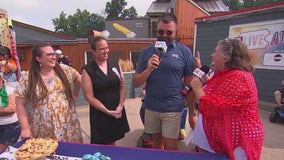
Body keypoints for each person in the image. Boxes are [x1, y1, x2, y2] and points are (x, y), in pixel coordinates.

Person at [190, 38, 264, 160]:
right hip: (213, 143)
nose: (212, 55)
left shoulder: (239, 78)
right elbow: (220, 94)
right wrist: (206, 83)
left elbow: (210, 107)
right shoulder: (225, 74)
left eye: (215, 52)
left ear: (226, 57)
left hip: (238, 141)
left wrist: (198, 89)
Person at [133, 13, 195, 150]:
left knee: (170, 145)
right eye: (161, 31)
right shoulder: (146, 52)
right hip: (151, 106)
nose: (164, 35)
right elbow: (136, 82)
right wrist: (148, 69)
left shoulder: (184, 52)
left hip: (172, 107)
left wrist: (191, 113)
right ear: (156, 30)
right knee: (156, 144)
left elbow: (191, 86)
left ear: (176, 32)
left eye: (169, 32)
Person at [14, 42, 83, 143]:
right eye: (49, 55)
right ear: (38, 58)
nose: (53, 57)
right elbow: (20, 104)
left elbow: (78, 78)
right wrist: (25, 128)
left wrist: (75, 94)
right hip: (42, 129)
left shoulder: (64, 70)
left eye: (54, 54)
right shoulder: (28, 78)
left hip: (67, 125)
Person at [81, 36, 130, 145]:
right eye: (102, 49)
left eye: (107, 48)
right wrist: (107, 111)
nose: (106, 51)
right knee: (103, 144)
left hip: (117, 110)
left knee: (113, 141)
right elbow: (89, 97)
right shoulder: (88, 70)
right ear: (93, 51)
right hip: (101, 113)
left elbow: (122, 85)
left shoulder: (115, 65)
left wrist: (120, 105)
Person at [0, 73, 20, 151]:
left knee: (2, 150)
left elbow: (12, 109)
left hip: (11, 126)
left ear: (1, 80)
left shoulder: (10, 90)